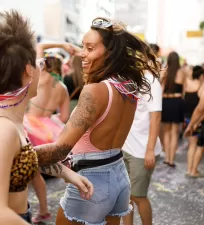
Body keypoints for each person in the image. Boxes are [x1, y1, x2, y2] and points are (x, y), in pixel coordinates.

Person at [0, 11, 93, 224]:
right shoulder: (1, 127)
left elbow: (17, 158)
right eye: (40, 62)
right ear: (28, 70)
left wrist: (65, 173)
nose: (41, 67)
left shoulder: (0, 116)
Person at [34, 17, 160, 225]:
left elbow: (59, 151)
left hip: (91, 184)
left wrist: (16, 153)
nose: (82, 53)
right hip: (118, 177)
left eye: (90, 48)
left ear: (110, 53)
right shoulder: (128, 86)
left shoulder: (95, 91)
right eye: (83, 47)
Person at [25, 47, 70, 224]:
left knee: (32, 173)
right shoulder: (63, 87)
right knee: (53, 170)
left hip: (29, 126)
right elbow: (64, 117)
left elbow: (39, 47)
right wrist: (50, 118)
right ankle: (62, 208)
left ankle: (40, 210)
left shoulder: (39, 78)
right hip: (48, 130)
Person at [122, 72, 162, 225]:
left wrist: (150, 149)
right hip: (124, 146)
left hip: (142, 150)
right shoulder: (124, 77)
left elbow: (156, 117)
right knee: (125, 196)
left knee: (138, 196)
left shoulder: (150, 81)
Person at [161, 51, 185, 167]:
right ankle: (171, 159)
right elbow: (184, 91)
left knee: (166, 132)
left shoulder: (165, 71)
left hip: (166, 102)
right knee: (175, 132)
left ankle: (166, 158)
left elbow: (161, 88)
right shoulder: (181, 72)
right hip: (177, 102)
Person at [183, 66, 204, 177]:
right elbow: (200, 109)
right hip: (197, 119)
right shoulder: (201, 86)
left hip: (187, 117)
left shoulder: (187, 83)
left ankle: (189, 169)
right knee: (197, 145)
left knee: (192, 145)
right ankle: (193, 170)